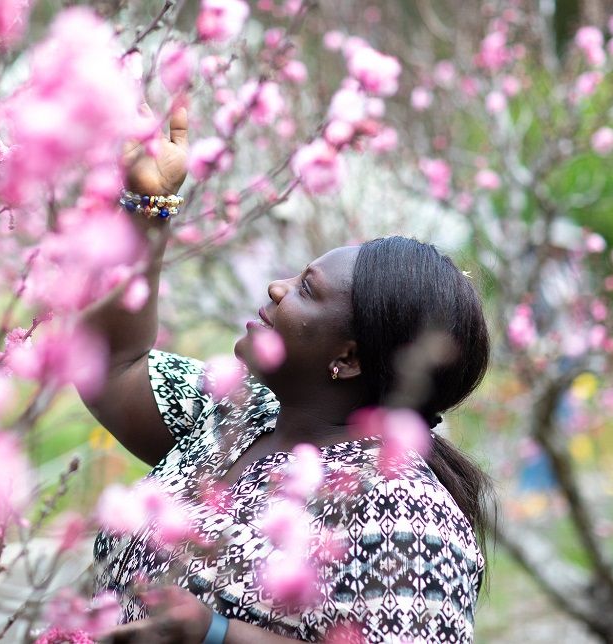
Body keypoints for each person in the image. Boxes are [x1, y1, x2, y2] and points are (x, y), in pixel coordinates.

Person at [77, 104, 494, 644]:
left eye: (307, 290)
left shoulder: (406, 514)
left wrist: (217, 635)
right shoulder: (233, 415)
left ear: (348, 358)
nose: (277, 287)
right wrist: (148, 211)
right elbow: (110, 365)